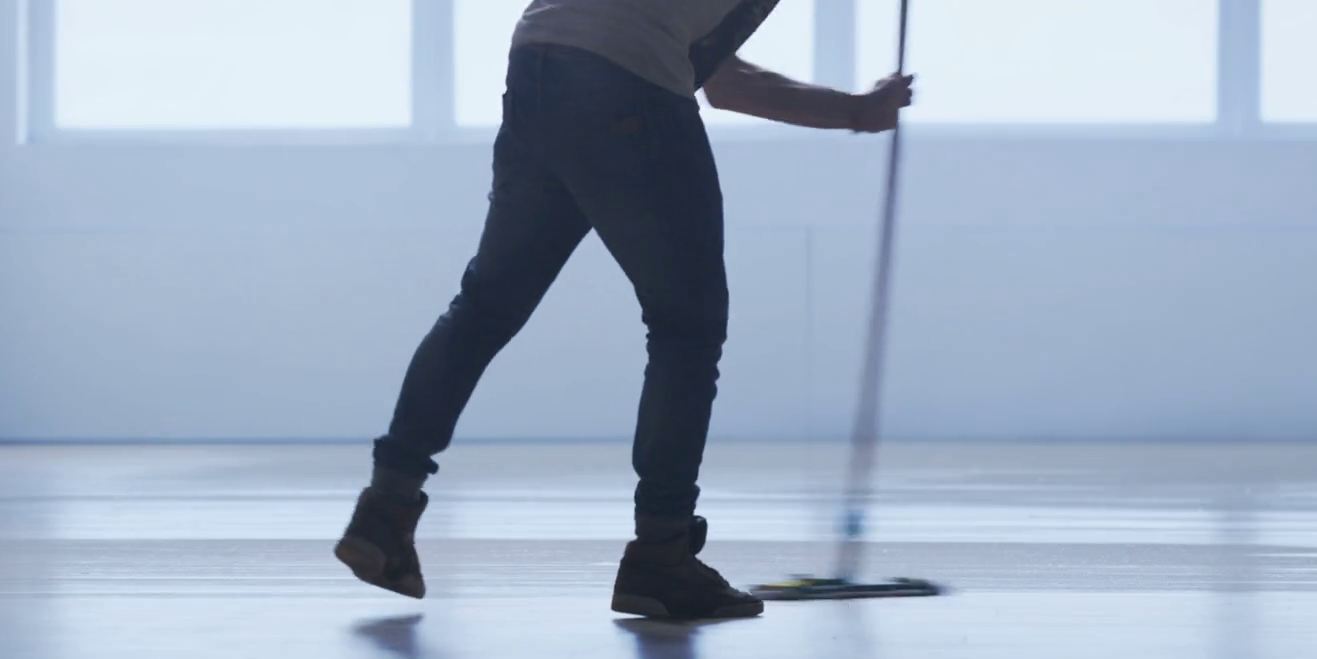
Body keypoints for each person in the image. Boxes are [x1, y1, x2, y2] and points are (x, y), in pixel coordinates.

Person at [335, 0, 915, 619]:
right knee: (686, 328)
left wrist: (855, 111)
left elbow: (717, 77)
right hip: (627, 85)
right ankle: (661, 555)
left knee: (484, 308)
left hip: (539, 62)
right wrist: (859, 112)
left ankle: (385, 510)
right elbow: (714, 76)